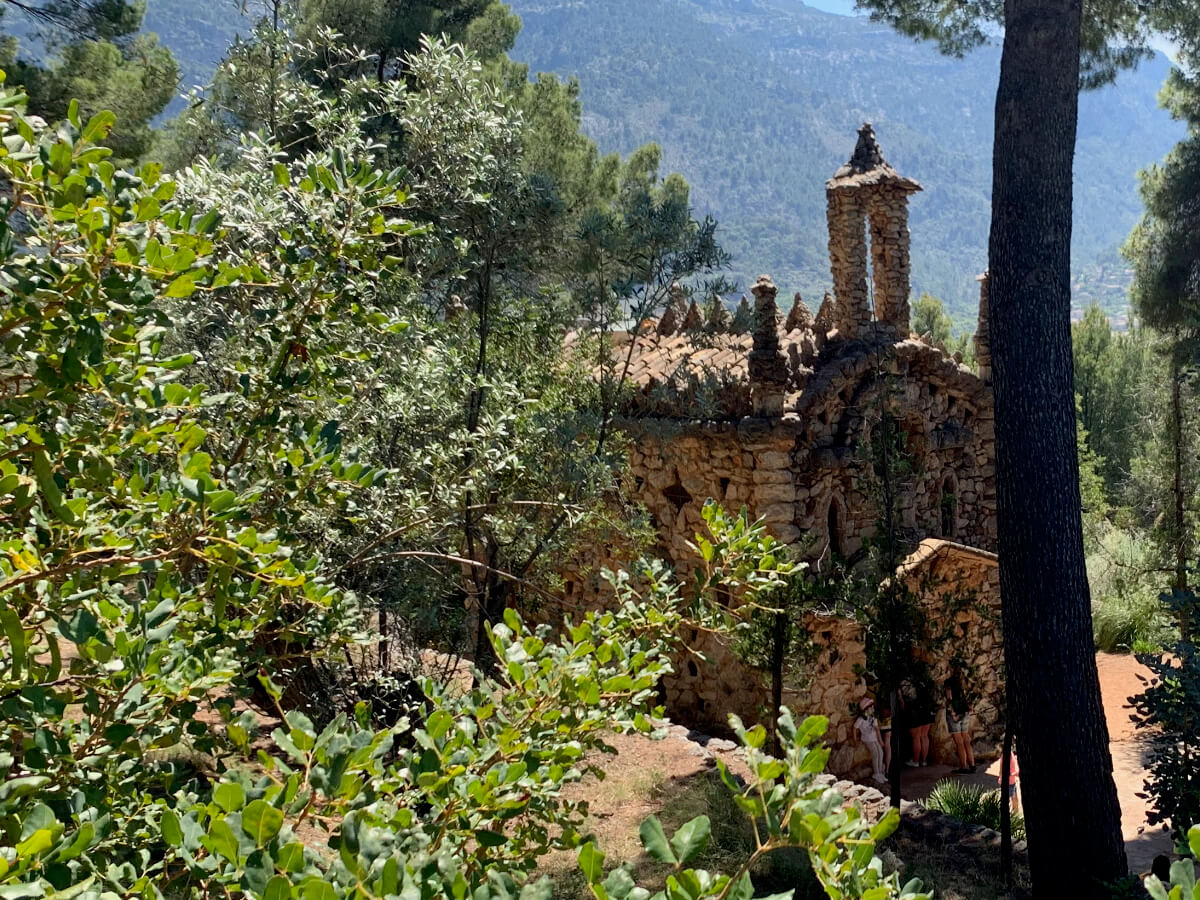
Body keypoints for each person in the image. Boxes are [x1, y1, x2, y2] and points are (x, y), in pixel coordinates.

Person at [900, 676, 934, 767]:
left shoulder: (903, 683)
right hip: (926, 711)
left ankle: (915, 761)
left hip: (914, 712)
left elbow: (902, 703)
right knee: (924, 736)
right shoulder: (921, 681)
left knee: (916, 737)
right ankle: (924, 761)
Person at [853, 696, 888, 784]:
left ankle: (880, 772)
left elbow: (877, 729)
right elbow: (854, 728)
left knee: (881, 752)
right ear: (865, 709)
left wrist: (880, 740)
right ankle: (876, 773)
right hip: (868, 739)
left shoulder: (873, 718)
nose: (873, 709)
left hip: (874, 738)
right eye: (871, 707)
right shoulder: (861, 719)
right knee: (875, 753)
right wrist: (855, 740)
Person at [945, 676, 976, 774]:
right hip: (964, 713)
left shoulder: (948, 686)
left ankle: (963, 767)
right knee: (966, 740)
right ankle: (972, 765)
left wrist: (952, 712)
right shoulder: (961, 687)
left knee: (959, 742)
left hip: (955, 715)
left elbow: (949, 699)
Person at [1007, 748, 1020, 813]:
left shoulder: (1010, 757)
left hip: (1010, 780)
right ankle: (1015, 811)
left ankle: (1015, 811)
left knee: (1013, 797)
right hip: (1011, 780)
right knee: (1013, 797)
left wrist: (1012, 774)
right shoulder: (1011, 756)